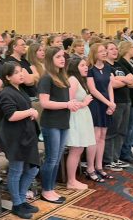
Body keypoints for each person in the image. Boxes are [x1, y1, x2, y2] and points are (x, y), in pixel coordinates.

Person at [0, 61, 40, 219]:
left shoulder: (19, 89)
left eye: (21, 71)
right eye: (16, 72)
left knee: (33, 168)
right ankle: (17, 203)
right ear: (7, 77)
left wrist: (31, 113)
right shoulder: (6, 93)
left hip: (26, 136)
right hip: (14, 137)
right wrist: (30, 111)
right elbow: (11, 115)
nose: (21, 74)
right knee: (16, 170)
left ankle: (21, 199)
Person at [38, 47, 76, 203]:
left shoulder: (62, 77)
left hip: (62, 121)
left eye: (63, 56)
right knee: (51, 159)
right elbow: (44, 103)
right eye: (58, 57)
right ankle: (46, 190)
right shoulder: (46, 78)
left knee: (57, 157)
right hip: (51, 122)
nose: (62, 59)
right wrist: (67, 104)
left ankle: (51, 188)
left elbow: (65, 101)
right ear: (49, 59)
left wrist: (73, 104)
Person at [86, 43, 116, 180]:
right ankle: (90, 168)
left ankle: (99, 166)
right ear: (94, 54)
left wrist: (112, 103)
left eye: (105, 51)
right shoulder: (91, 69)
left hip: (107, 104)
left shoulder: (108, 67)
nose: (104, 53)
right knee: (95, 137)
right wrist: (108, 102)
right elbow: (93, 90)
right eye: (101, 51)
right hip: (97, 105)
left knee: (103, 136)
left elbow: (110, 87)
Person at [104, 41, 133, 169]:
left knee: (122, 131)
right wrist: (125, 80)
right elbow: (113, 84)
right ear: (105, 51)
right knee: (112, 132)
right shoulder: (106, 66)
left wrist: (120, 79)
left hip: (126, 100)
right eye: (111, 49)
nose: (115, 51)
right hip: (115, 102)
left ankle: (116, 158)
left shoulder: (118, 65)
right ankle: (108, 160)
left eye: (116, 49)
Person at [65, 58, 95, 189]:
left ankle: (73, 179)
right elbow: (69, 102)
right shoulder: (72, 80)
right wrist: (84, 103)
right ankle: (71, 181)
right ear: (74, 67)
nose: (86, 67)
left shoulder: (79, 80)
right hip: (76, 117)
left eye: (86, 65)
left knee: (80, 148)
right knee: (76, 149)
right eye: (82, 65)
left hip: (82, 116)